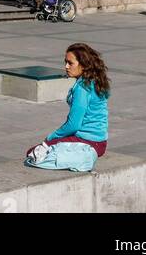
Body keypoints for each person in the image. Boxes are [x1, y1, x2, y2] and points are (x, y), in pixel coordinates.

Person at [25, 43, 110, 171]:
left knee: (32, 152)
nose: (66, 66)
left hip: (88, 141)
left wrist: (50, 137)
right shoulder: (94, 81)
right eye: (65, 62)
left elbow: (73, 124)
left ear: (84, 65)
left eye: (70, 63)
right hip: (100, 141)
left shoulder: (82, 88)